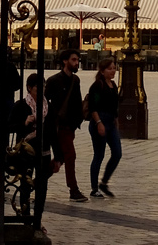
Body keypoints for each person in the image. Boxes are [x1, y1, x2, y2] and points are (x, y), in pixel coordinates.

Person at [9, 73, 62, 229]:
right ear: (29, 88)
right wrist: (24, 122)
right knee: (25, 186)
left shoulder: (49, 107)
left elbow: (53, 133)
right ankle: (25, 219)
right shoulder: (21, 106)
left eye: (43, 86)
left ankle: (37, 220)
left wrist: (58, 157)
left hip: (44, 153)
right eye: (38, 87)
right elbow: (9, 127)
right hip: (25, 152)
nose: (41, 90)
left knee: (42, 187)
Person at [44, 49, 87, 202]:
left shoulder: (75, 81)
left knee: (60, 158)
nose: (76, 63)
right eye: (74, 60)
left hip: (70, 126)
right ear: (64, 61)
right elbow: (44, 102)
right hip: (58, 125)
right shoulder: (54, 80)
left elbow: (77, 101)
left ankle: (37, 183)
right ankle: (73, 189)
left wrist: (77, 121)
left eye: (77, 60)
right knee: (69, 156)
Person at [86, 57, 121, 198]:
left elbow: (115, 105)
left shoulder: (113, 85)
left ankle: (104, 182)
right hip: (99, 121)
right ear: (102, 71)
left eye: (114, 68)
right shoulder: (97, 86)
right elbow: (93, 107)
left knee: (117, 153)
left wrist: (116, 120)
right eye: (110, 69)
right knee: (99, 155)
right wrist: (99, 123)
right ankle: (94, 188)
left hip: (111, 122)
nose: (113, 71)